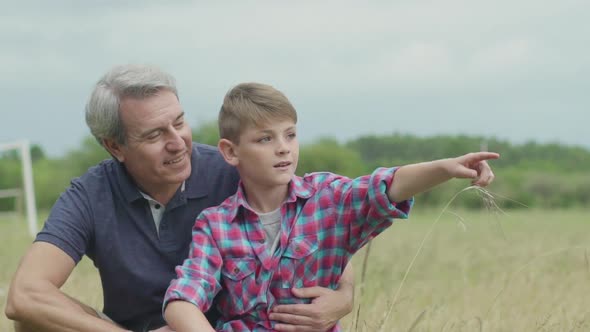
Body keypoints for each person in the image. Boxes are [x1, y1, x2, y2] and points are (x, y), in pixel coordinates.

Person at [4, 65, 355, 332]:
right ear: (115, 146)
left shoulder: (236, 171)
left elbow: (318, 222)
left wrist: (344, 297)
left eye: (179, 122)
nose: (177, 142)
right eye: (156, 134)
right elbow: (25, 295)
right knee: (33, 323)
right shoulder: (89, 194)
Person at [162, 83, 499, 331]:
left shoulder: (326, 198)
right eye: (265, 139)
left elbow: (384, 187)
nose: (283, 148)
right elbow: (183, 299)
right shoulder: (216, 225)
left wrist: (445, 168)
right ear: (230, 151)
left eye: (290, 135)